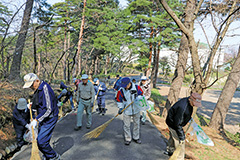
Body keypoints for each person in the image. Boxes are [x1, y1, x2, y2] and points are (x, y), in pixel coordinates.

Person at [23, 73, 60, 160]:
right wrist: (33, 105)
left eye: (31, 85)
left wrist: (36, 119)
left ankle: (53, 156)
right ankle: (47, 155)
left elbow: (49, 109)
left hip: (50, 118)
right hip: (43, 117)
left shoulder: (45, 88)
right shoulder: (38, 88)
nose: (31, 87)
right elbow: (40, 101)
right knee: (42, 140)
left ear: (37, 81)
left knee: (41, 141)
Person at [164, 92, 202, 159]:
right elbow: (177, 124)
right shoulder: (182, 107)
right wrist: (182, 136)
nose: (195, 105)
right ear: (191, 99)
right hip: (173, 123)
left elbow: (186, 114)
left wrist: (189, 118)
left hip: (173, 121)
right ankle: (179, 157)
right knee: (180, 142)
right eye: (195, 103)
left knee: (173, 137)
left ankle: (170, 150)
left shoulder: (188, 102)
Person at [115, 77, 143, 145]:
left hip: (136, 109)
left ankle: (136, 137)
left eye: (126, 86)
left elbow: (142, 96)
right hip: (127, 110)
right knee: (126, 125)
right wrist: (120, 108)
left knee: (136, 124)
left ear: (130, 83)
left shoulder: (137, 88)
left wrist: (138, 99)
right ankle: (128, 138)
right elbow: (119, 100)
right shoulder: (121, 90)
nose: (125, 88)